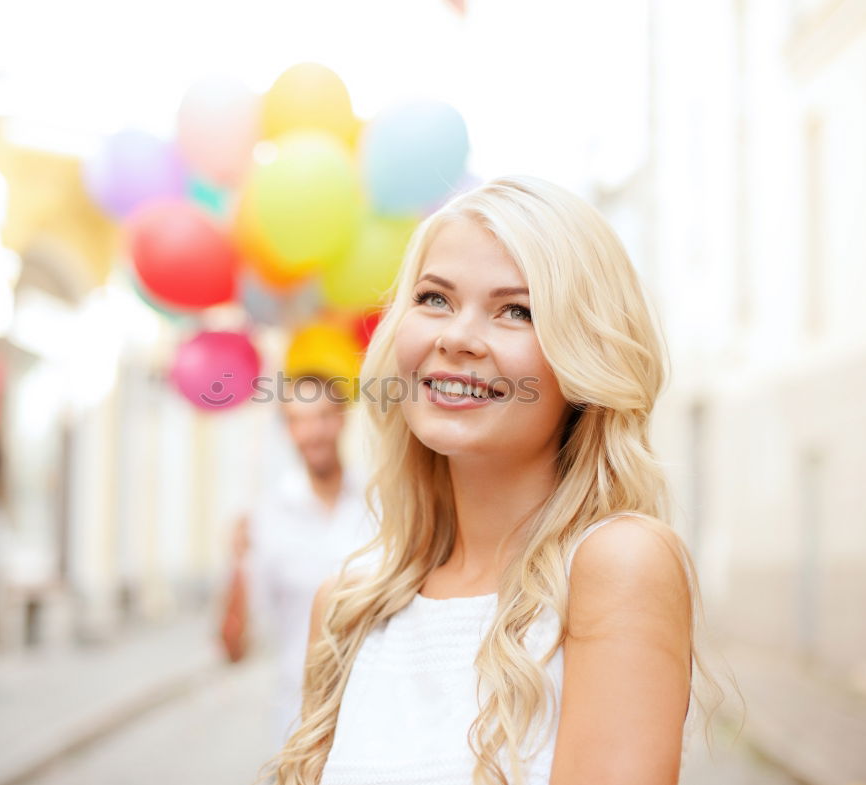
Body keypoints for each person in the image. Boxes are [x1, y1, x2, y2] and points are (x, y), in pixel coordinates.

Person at [255, 176, 721, 785]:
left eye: (517, 310)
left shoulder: (618, 566)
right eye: (435, 299)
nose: (456, 338)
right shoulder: (345, 609)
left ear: (582, 360)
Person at [221, 373, 379, 750]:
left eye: (323, 416)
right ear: (287, 431)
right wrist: (237, 565)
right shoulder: (265, 519)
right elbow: (234, 648)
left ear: (342, 418)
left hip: (378, 715)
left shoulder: (385, 504)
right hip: (299, 723)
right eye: (299, 420)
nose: (313, 433)